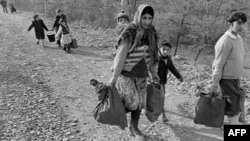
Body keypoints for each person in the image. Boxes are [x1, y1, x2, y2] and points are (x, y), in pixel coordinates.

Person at [109, 4, 159, 140]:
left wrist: (154, 74)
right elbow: (121, 54)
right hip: (126, 73)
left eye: (149, 18)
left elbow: (153, 56)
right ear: (138, 16)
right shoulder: (130, 32)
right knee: (133, 102)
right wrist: (114, 77)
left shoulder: (151, 33)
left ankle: (134, 127)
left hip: (142, 73)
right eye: (144, 18)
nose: (147, 21)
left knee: (140, 102)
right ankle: (117, 113)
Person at [209, 11, 247, 125]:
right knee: (234, 109)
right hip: (226, 79)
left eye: (243, 23)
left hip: (235, 78)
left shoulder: (239, 39)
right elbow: (218, 64)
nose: (241, 26)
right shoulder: (224, 41)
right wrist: (214, 84)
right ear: (230, 23)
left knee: (236, 107)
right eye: (239, 23)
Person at [157, 40, 183, 122]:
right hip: (154, 82)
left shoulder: (168, 59)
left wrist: (179, 76)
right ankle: (162, 115)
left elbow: (172, 68)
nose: (165, 51)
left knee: (160, 98)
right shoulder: (155, 58)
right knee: (160, 98)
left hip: (163, 81)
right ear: (160, 49)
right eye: (164, 49)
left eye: (168, 50)